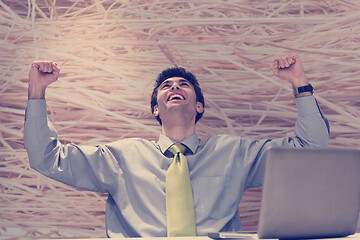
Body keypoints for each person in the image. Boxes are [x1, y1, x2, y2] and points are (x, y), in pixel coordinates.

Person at [24, 52, 329, 238]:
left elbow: (310, 148)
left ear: (199, 107)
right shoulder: (121, 157)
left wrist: (299, 83)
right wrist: (37, 92)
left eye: (183, 85)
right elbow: (46, 159)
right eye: (166, 86)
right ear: (155, 109)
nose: (174, 87)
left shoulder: (234, 153)